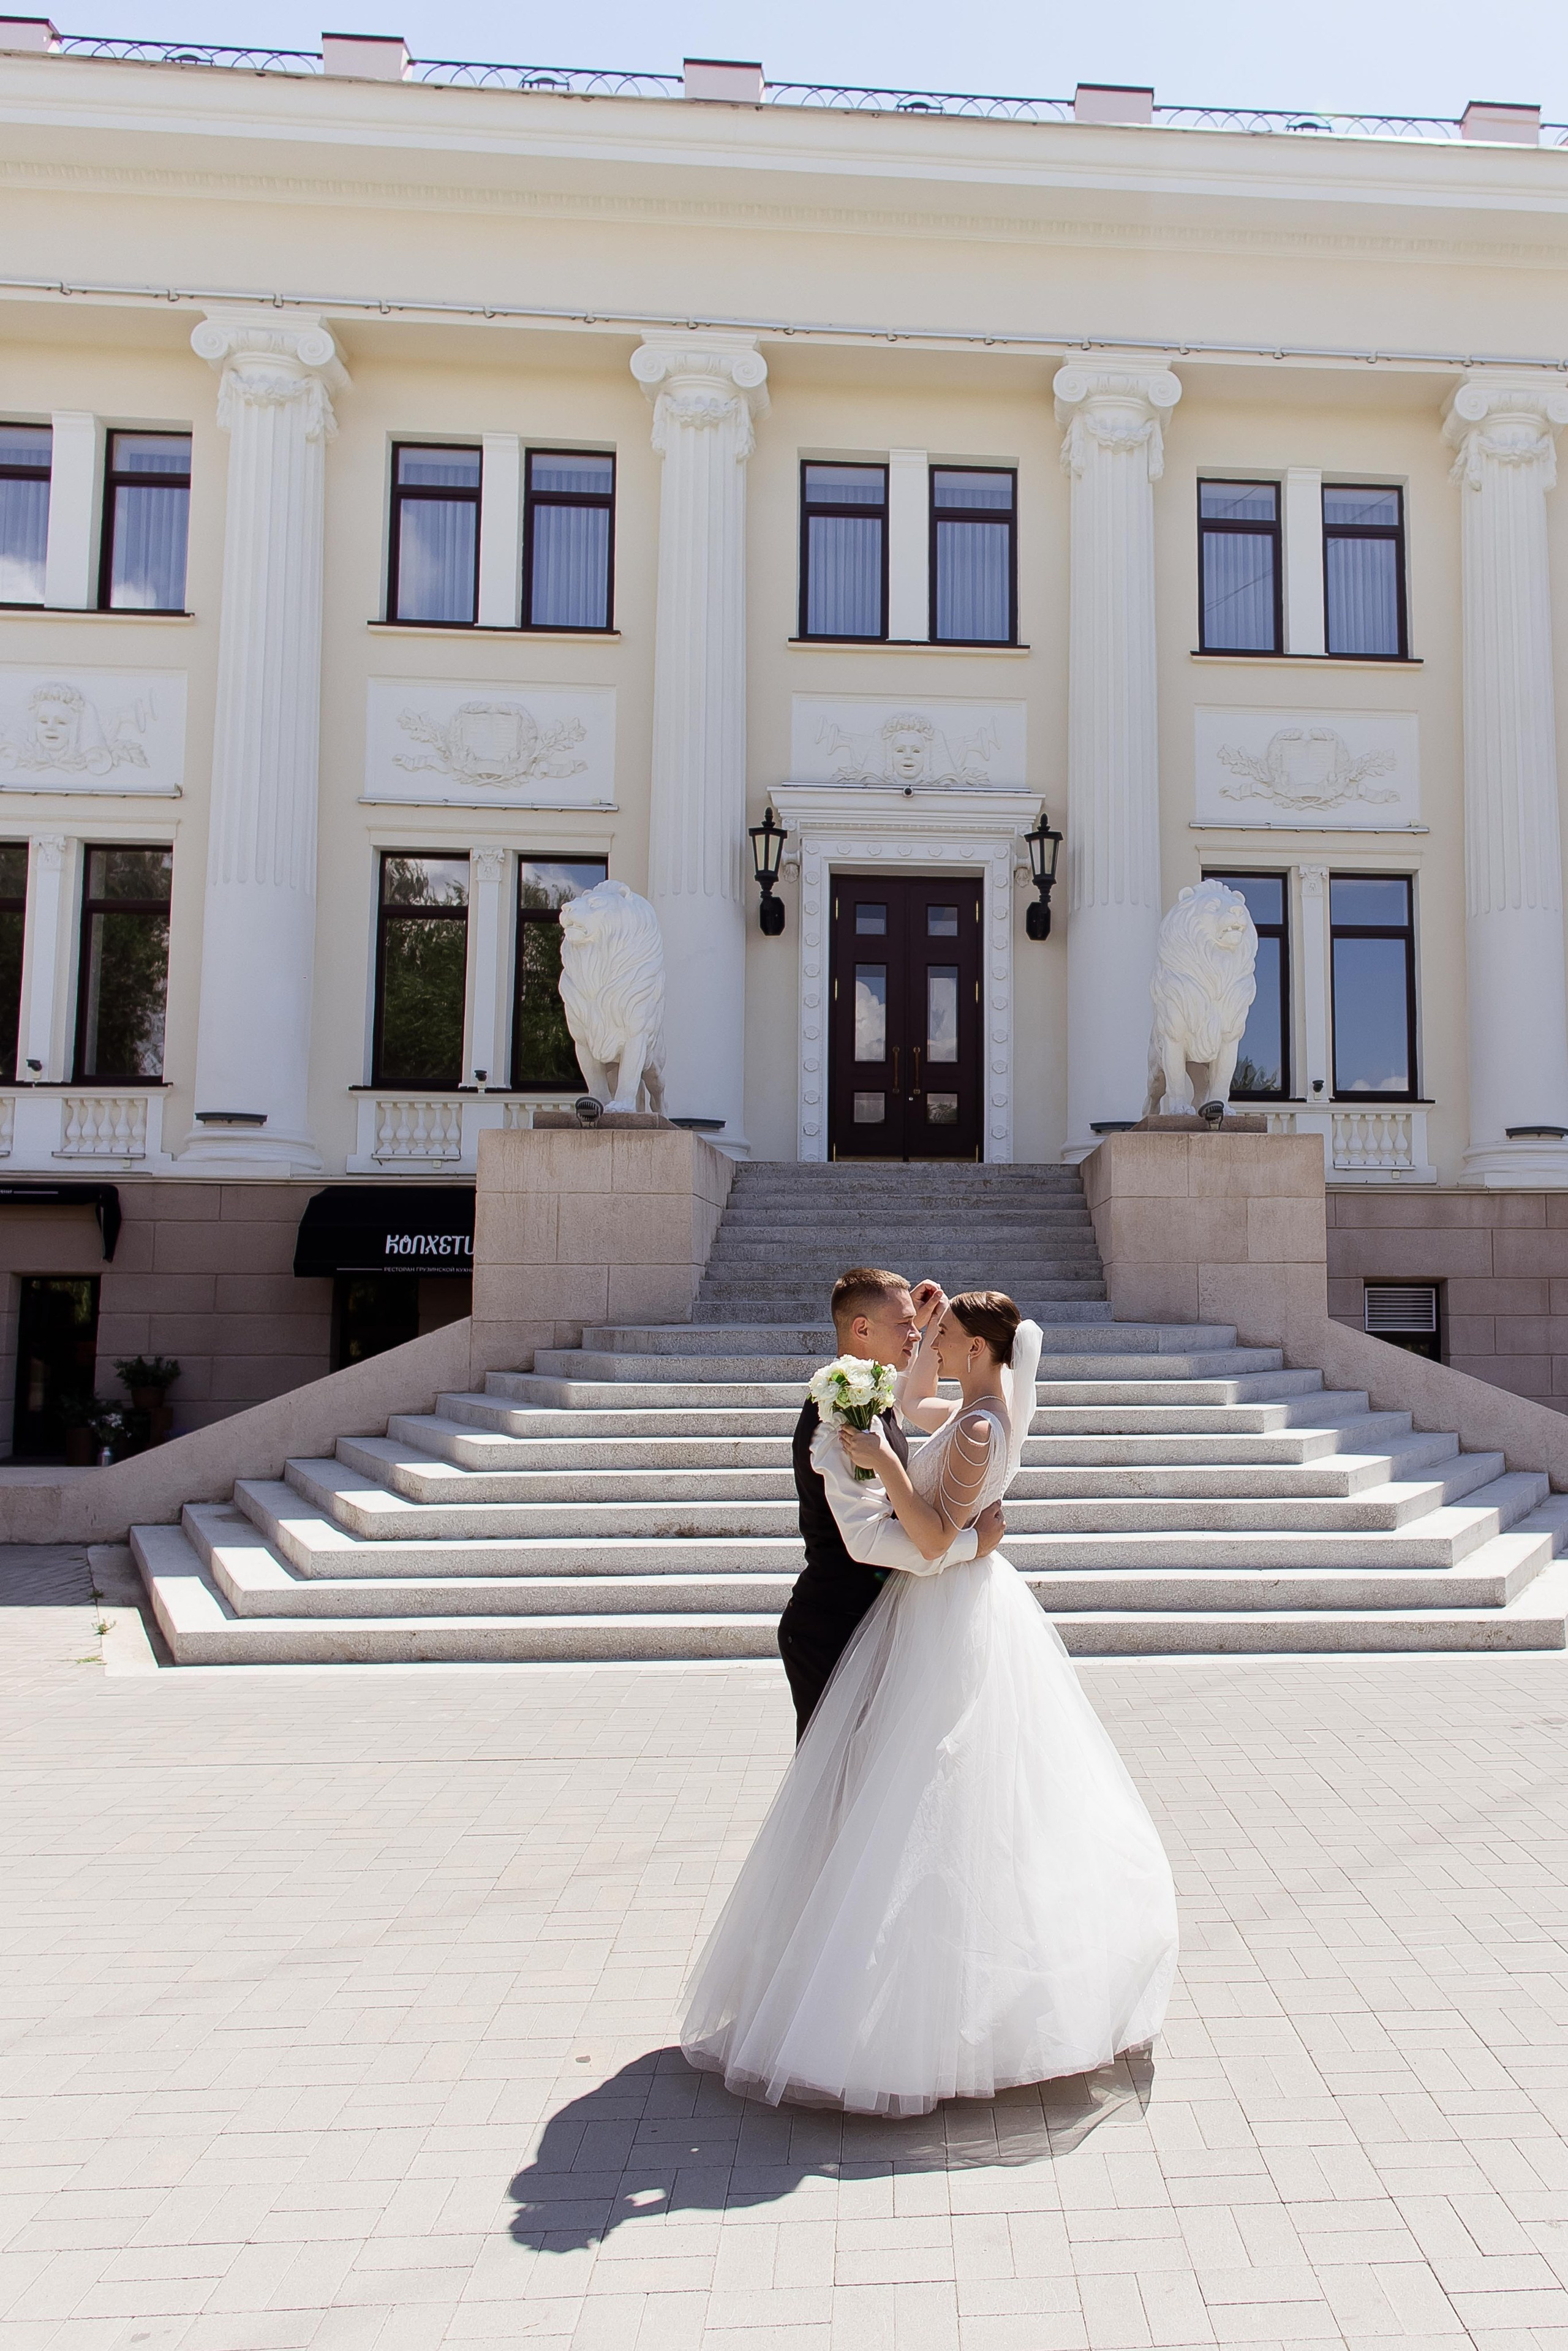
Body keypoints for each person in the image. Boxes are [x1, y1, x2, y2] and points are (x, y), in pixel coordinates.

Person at [680, 1289, 1180, 2118]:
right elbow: (918, 1403)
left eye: (944, 1337)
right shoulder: (988, 1403)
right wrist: (924, 1341)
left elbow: (933, 1539)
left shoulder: (982, 1427)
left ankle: (924, 2012)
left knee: (929, 1809)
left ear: (981, 1350)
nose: (931, 1345)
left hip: (946, 1614)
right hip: (946, 1612)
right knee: (934, 1808)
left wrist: (879, 1463)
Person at [775, 1266, 1005, 1742]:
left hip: (869, 1627)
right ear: (861, 1329)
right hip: (832, 1633)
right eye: (904, 1323)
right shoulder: (840, 1418)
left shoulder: (866, 1395)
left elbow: (906, 1395)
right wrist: (969, 1545)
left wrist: (915, 1329)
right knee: (837, 1800)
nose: (917, 1332)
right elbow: (867, 1539)